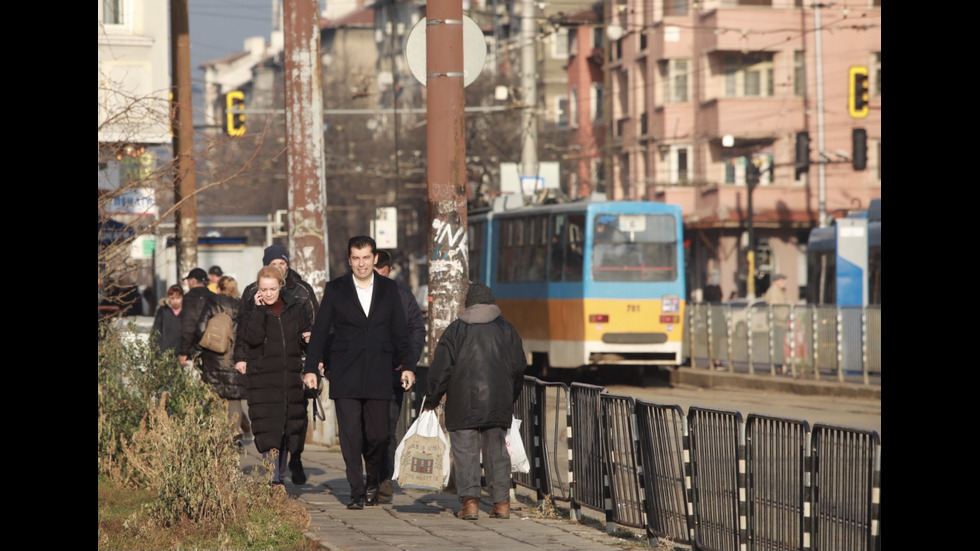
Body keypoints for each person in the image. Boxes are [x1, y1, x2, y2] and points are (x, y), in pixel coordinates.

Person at [303, 235, 418, 510]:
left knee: (379, 436)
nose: (361, 263)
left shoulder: (390, 289)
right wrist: (311, 369)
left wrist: (410, 365)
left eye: (366, 257)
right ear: (349, 259)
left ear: (374, 258)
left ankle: (373, 480)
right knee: (351, 436)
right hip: (346, 372)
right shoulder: (336, 289)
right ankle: (355, 491)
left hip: (380, 371)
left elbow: (401, 331)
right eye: (356, 258)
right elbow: (320, 331)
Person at [423, 282, 526, 521]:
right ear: (492, 303)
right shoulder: (507, 329)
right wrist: (511, 396)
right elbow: (519, 367)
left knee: (465, 452)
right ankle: (501, 504)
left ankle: (470, 504)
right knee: (497, 453)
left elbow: (441, 370)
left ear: (468, 304)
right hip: (497, 402)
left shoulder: (455, 330)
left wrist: (432, 398)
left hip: (462, 403)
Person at [235, 244, 320, 484]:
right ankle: (273, 478)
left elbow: (307, 333)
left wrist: (308, 341)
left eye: (272, 289)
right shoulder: (253, 308)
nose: (269, 293)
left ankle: (279, 477)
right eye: (264, 289)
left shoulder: (294, 307)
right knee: (267, 431)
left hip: (288, 379)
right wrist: (259, 311)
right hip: (262, 380)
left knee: (286, 431)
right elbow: (248, 337)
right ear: (258, 288)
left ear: (281, 286)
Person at [373, 250, 426, 503]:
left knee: (388, 430)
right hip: (363, 374)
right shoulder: (352, 294)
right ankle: (372, 475)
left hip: (393, 373)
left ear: (388, 270)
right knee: (365, 431)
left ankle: (383, 479)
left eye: (379, 268)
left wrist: (409, 363)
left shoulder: (403, 296)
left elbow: (417, 330)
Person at [196, 275, 250, 444]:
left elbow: (201, 327)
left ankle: (216, 435)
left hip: (214, 357)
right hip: (235, 358)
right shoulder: (243, 306)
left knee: (216, 397)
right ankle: (235, 436)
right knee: (234, 398)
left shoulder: (212, 303)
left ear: (219, 288)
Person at [178, 268, 215, 367]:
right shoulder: (214, 297)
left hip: (194, 346)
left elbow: (188, 326)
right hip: (213, 345)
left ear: (193, 281)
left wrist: (184, 351)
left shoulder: (189, 298)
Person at [151, 284, 183, 357]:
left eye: (178, 298)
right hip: (165, 353)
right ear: (168, 298)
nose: (175, 301)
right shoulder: (163, 311)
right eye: (172, 298)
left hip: (181, 354)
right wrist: (157, 352)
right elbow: (156, 332)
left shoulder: (187, 312)